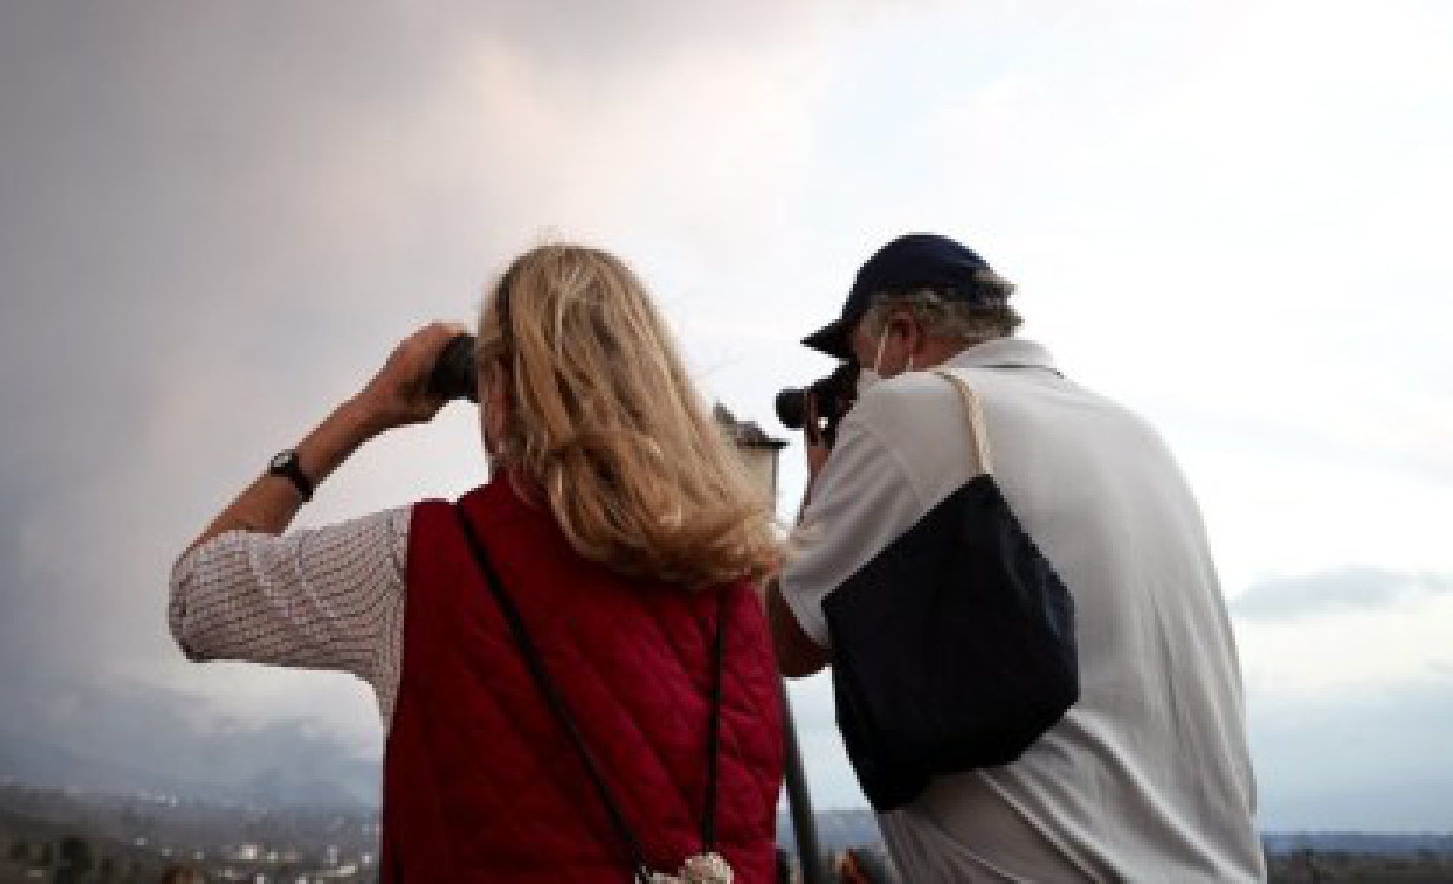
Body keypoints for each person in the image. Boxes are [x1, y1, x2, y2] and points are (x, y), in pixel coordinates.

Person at [169, 243, 785, 881]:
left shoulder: (423, 561)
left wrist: (366, 410)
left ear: (496, 388)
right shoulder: (736, 580)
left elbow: (194, 599)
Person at [768, 234, 1263, 881]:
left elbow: (784, 638)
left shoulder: (910, 407)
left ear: (903, 334)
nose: (856, 390)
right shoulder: (1136, 434)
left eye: (858, 363)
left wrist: (821, 485)